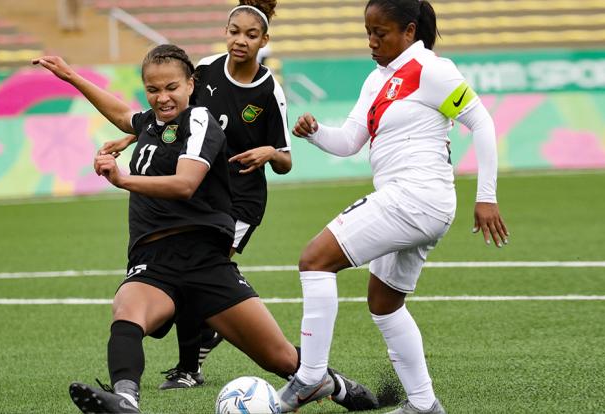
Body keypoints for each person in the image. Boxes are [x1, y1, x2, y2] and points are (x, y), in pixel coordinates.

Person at [33, 44, 377, 414]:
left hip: (206, 260)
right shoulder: (151, 123)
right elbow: (121, 114)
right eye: (153, 90)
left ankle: (334, 385)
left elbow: (185, 184)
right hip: (154, 260)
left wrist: (121, 179)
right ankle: (126, 402)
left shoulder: (199, 121)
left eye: (171, 88)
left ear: (191, 85)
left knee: (278, 357)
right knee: (127, 314)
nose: (162, 97)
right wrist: (70, 76)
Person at [275, 1, 509, 413]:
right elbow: (349, 142)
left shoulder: (432, 70)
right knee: (385, 304)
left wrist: (486, 196)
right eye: (368, 31)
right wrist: (314, 133)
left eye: (380, 32)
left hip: (416, 196)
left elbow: (483, 122)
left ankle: (311, 376)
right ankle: (423, 404)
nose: (371, 41)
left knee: (314, 260)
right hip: (417, 204)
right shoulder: (377, 80)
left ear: (409, 30)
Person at [97, 0, 292, 391]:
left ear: (264, 41)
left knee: (201, 273)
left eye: (251, 35)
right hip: (204, 189)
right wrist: (134, 133)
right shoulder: (203, 70)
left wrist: (270, 153)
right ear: (225, 32)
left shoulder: (270, 90)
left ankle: (191, 364)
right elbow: (175, 113)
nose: (240, 41)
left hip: (240, 200)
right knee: (195, 278)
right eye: (234, 32)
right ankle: (198, 346)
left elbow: (286, 159)